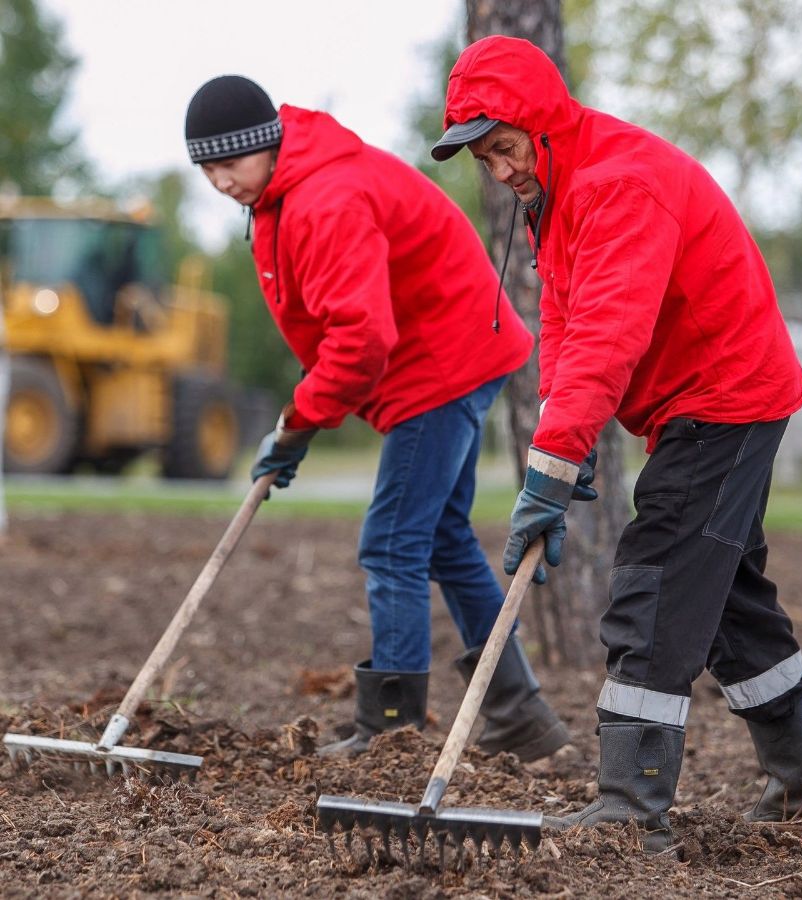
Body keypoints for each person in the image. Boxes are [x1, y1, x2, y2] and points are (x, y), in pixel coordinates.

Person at [432, 35, 802, 852]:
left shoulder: (616, 185)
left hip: (725, 396)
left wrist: (547, 476)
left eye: (507, 148)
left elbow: (607, 338)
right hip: (700, 402)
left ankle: (632, 807)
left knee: (656, 578)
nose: (503, 171)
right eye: (487, 159)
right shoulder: (557, 192)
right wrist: (571, 437)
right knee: (727, 598)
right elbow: (563, 320)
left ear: (541, 124)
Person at [184, 75, 571, 762]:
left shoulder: (324, 198)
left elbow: (361, 340)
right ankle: (521, 714)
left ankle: (391, 732)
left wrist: (297, 422)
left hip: (442, 365)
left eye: (230, 164)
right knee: (443, 538)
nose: (220, 182)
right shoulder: (285, 191)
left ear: (266, 145)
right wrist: (299, 424)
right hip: (456, 353)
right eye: (207, 169)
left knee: (392, 541)